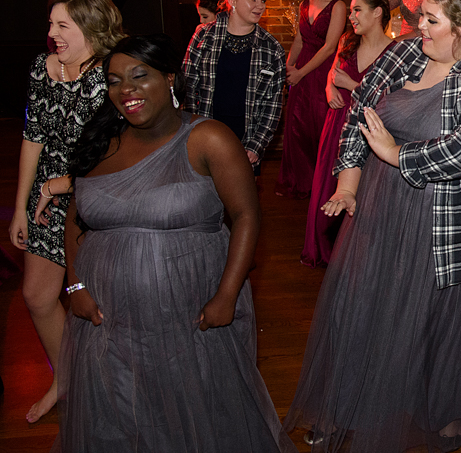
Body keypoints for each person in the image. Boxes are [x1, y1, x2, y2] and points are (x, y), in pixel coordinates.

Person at [283, 0, 461, 452]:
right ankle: (344, 406)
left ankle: (438, 408)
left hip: (448, 215)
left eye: (432, 20)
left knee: (436, 320)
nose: (420, 28)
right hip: (381, 205)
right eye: (420, 18)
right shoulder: (404, 52)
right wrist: (348, 184)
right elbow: (359, 116)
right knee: (363, 306)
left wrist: (396, 157)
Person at [56, 35, 296, 452]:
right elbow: (76, 220)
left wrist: (227, 295)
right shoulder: (102, 142)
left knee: (194, 407)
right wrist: (74, 286)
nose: (125, 90)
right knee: (118, 408)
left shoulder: (208, 138)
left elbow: (246, 216)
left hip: (186, 311)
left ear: (170, 78)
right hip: (106, 318)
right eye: (114, 81)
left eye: (138, 76)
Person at [8, 0, 124, 423]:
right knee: (37, 296)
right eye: (51, 23)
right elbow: (32, 137)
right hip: (44, 196)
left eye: (63, 26)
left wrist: (62, 184)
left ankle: (112, 387)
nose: (51, 33)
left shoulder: (112, 74)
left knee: (96, 303)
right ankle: (67, 377)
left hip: (95, 195)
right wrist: (19, 206)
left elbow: (123, 154)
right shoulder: (44, 67)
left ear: (91, 28)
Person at [302, 0, 393, 268]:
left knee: (362, 189)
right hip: (338, 119)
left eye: (358, 10)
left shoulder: (393, 51)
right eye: (351, 11)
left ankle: (357, 254)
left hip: (370, 127)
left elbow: (391, 100)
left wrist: (352, 87)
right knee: (329, 182)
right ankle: (322, 248)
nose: (351, 17)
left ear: (378, 12)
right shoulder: (347, 41)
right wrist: (330, 87)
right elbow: (333, 72)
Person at [183, 0, 285, 177]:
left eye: (263, 0)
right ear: (232, 0)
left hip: (246, 141)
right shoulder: (203, 36)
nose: (260, 6)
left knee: (242, 206)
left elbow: (273, 105)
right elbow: (187, 85)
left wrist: (256, 146)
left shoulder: (272, 48)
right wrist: (192, 133)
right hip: (205, 135)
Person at [276, 0, 348, 198]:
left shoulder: (338, 6)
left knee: (319, 125)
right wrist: (289, 68)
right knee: (298, 126)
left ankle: (323, 184)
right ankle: (301, 181)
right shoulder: (304, 5)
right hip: (301, 69)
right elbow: (299, 39)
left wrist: (300, 73)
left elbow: (330, 46)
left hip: (323, 68)